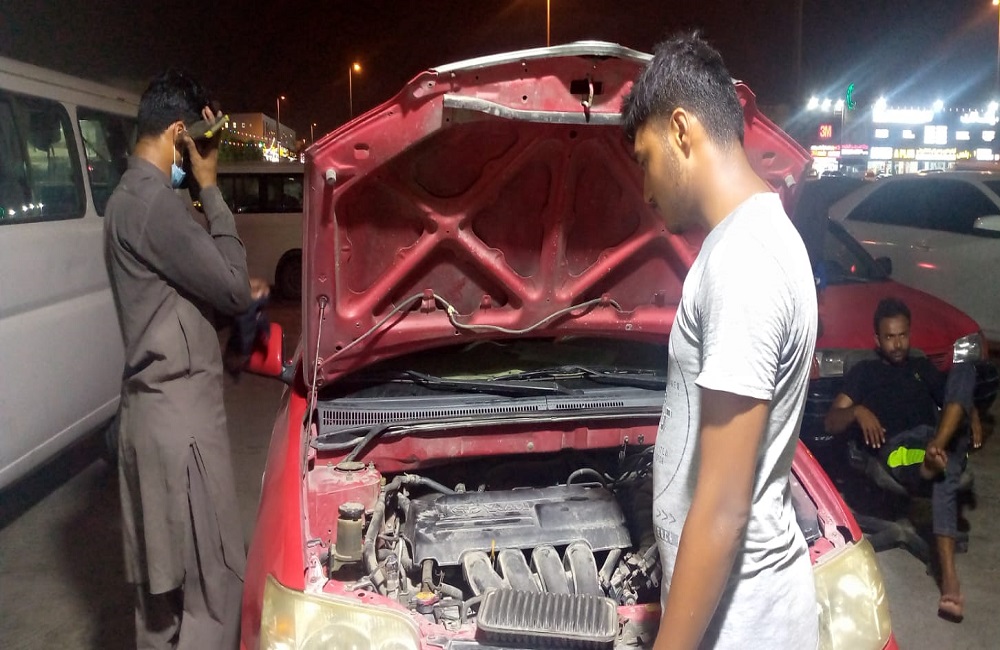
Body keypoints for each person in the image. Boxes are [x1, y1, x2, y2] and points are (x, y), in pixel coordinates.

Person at [622, 33, 819, 649]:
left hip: (742, 624)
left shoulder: (743, 260)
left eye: (645, 159)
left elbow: (725, 507)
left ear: (681, 130)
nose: (645, 189)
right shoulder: (757, 238)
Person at [104, 70, 268, 649]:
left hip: (150, 418)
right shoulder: (155, 203)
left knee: (161, 603)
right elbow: (231, 287)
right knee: (215, 589)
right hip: (183, 428)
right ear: (179, 133)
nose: (201, 152)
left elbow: (175, 296)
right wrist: (211, 188)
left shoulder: (126, 200)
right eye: (199, 140)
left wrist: (226, 300)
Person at [824, 297, 980, 623]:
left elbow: (954, 395)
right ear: (877, 339)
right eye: (890, 337)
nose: (898, 344)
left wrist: (972, 412)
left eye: (903, 335)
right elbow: (831, 421)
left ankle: (936, 451)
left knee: (966, 369)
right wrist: (857, 411)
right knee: (942, 471)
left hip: (935, 437)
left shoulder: (921, 367)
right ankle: (950, 582)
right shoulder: (865, 372)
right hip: (900, 447)